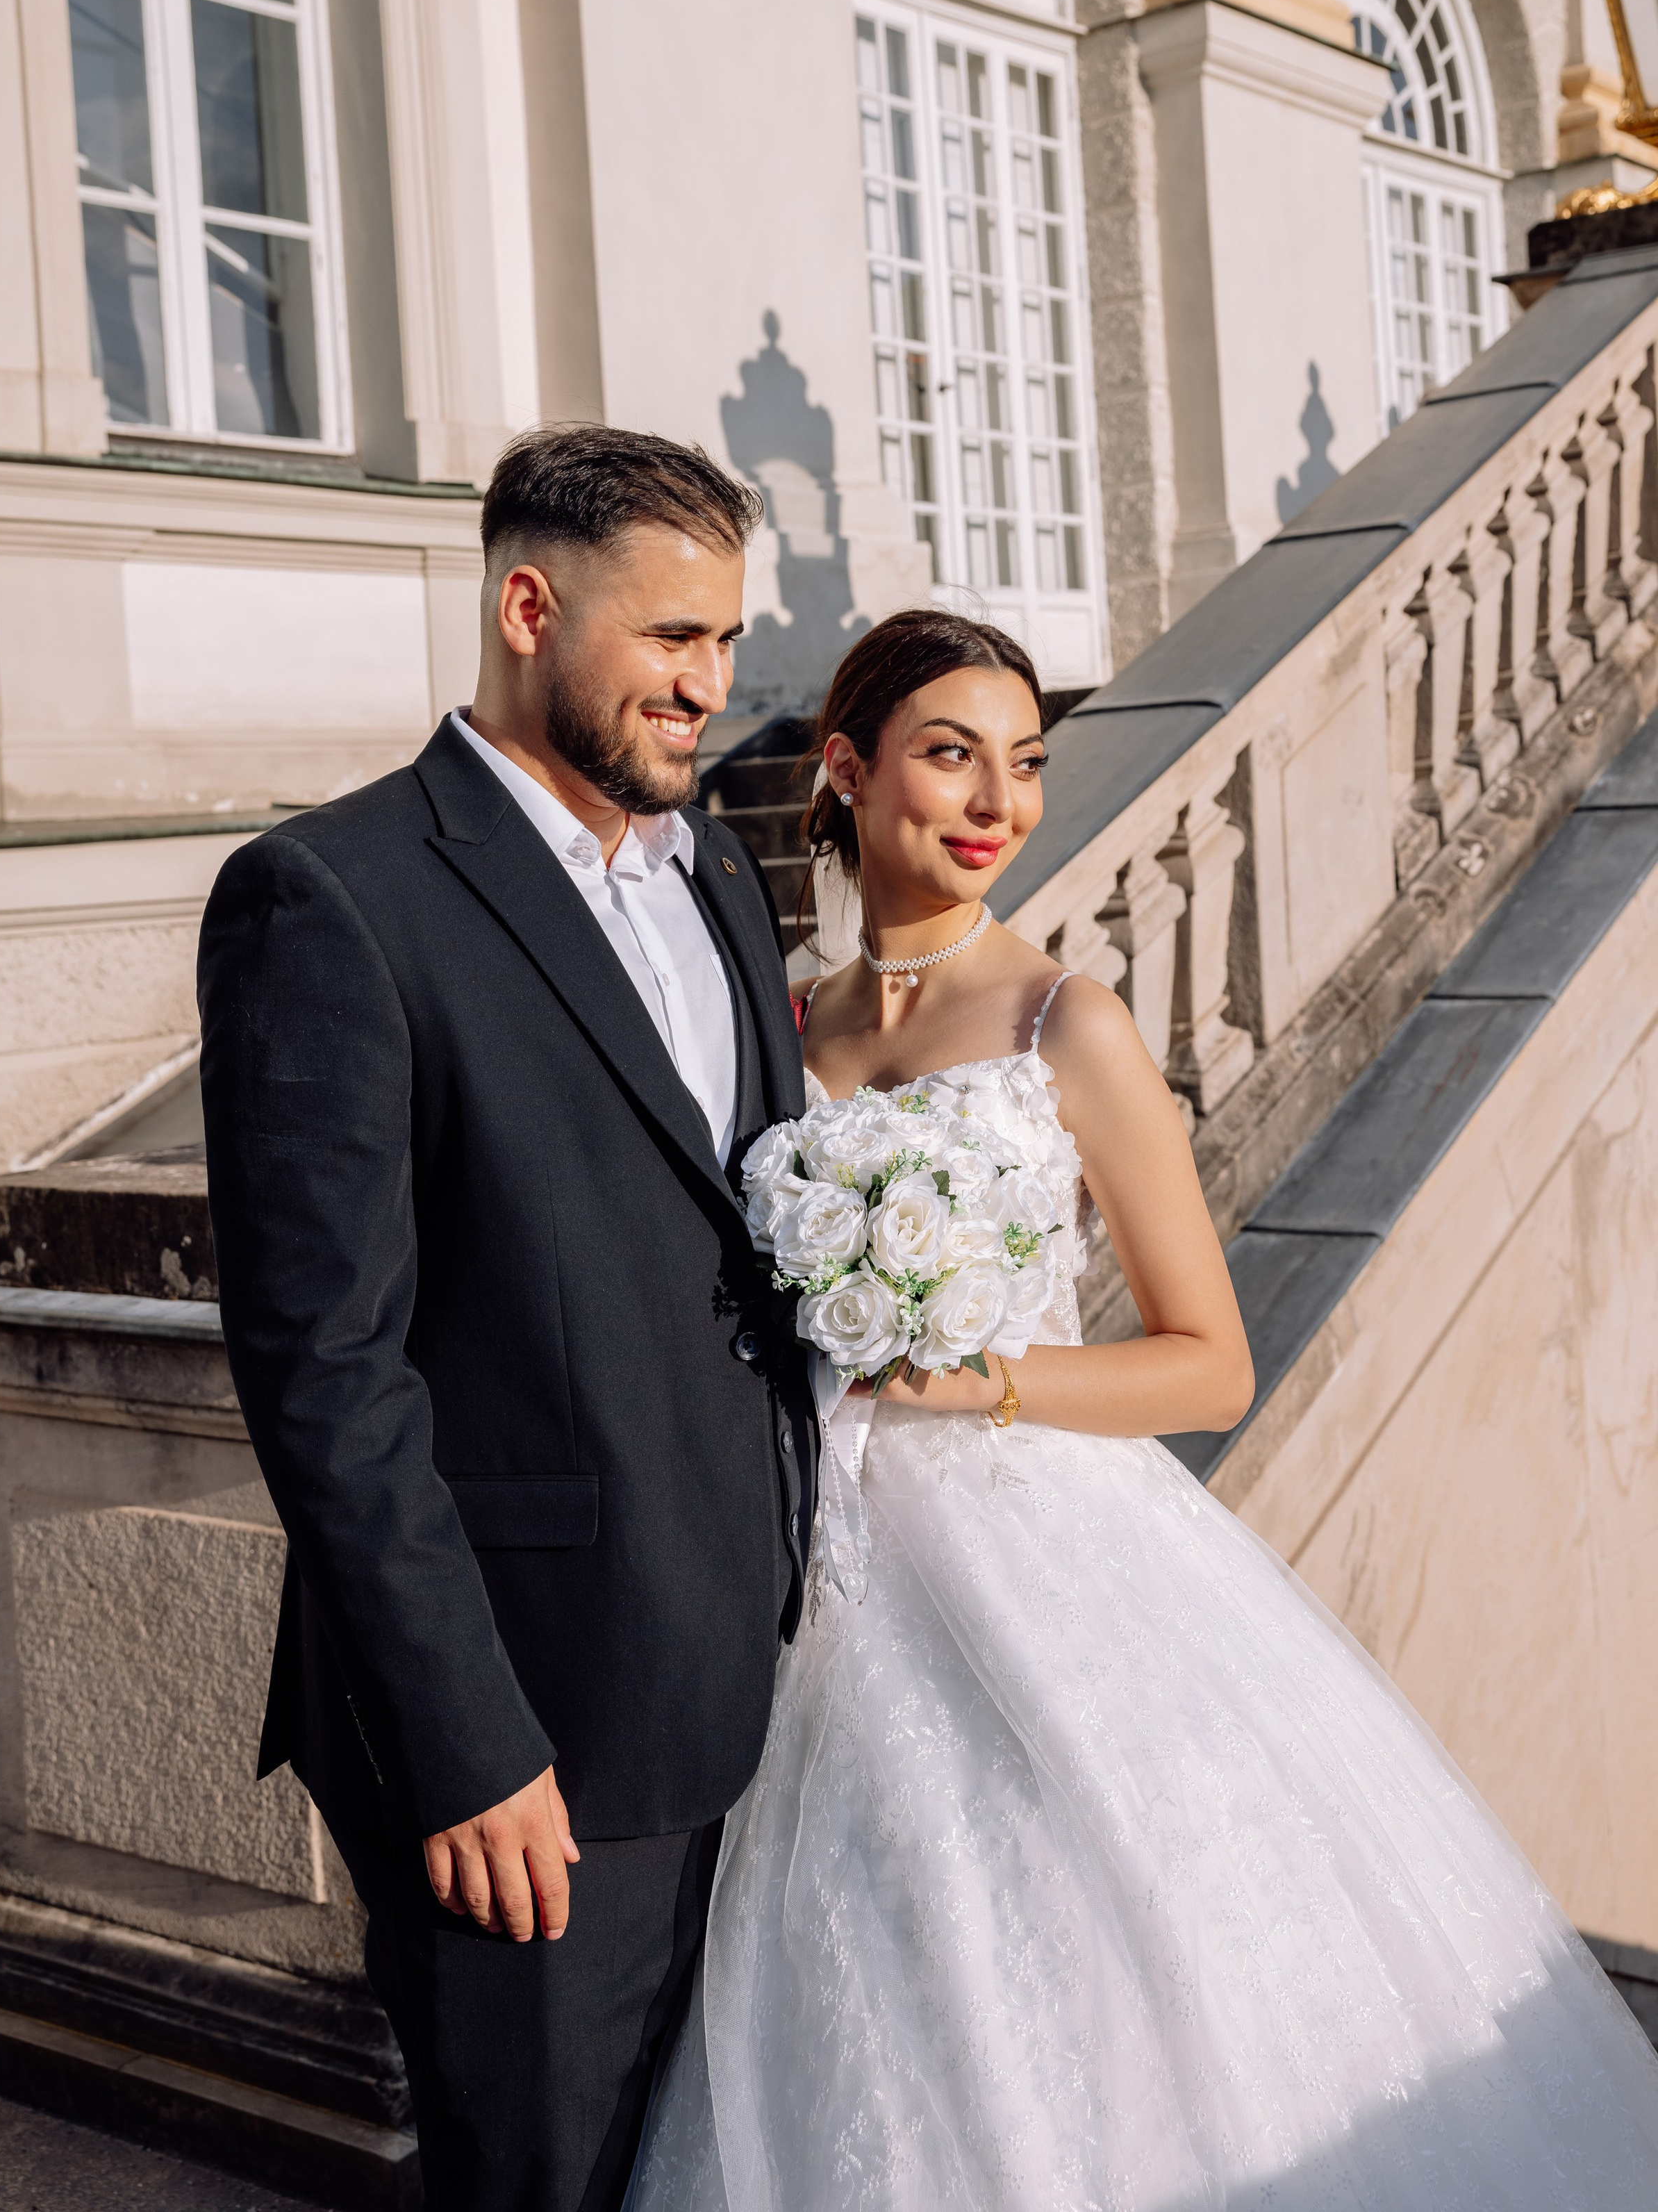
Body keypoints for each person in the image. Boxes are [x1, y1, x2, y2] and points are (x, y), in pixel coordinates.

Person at [630, 606, 1658, 2211]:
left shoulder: (1068, 1020)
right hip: (814, 1561)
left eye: (1023, 761)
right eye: (949, 752)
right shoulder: (787, 1021)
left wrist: (987, 1375)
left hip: (1035, 1548)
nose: (995, 800)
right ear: (843, 767)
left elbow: (1208, 1359)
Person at [197, 427, 814, 2212]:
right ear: (527, 606)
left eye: (724, 642)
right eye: (673, 639)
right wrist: (472, 1744)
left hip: (749, 1683)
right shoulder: (332, 895)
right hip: (533, 1729)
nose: (709, 685)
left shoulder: (713, 873)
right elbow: (326, 1373)